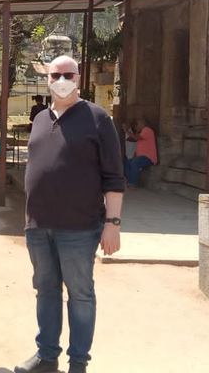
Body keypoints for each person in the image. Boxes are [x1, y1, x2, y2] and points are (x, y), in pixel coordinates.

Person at [15, 56, 125, 373]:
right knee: (45, 291)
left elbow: (114, 177)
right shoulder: (39, 118)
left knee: (80, 295)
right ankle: (46, 355)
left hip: (79, 227)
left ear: (78, 78)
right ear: (46, 79)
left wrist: (113, 224)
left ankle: (78, 363)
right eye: (55, 75)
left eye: (68, 74)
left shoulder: (98, 118)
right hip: (38, 225)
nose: (61, 80)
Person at [123, 117, 157, 189]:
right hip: (141, 156)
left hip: (149, 157)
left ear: (142, 124)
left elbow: (136, 138)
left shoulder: (147, 130)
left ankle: (134, 183)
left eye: (137, 124)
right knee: (127, 162)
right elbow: (139, 145)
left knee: (134, 163)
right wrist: (135, 155)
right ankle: (129, 182)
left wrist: (126, 130)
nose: (136, 126)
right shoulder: (142, 132)